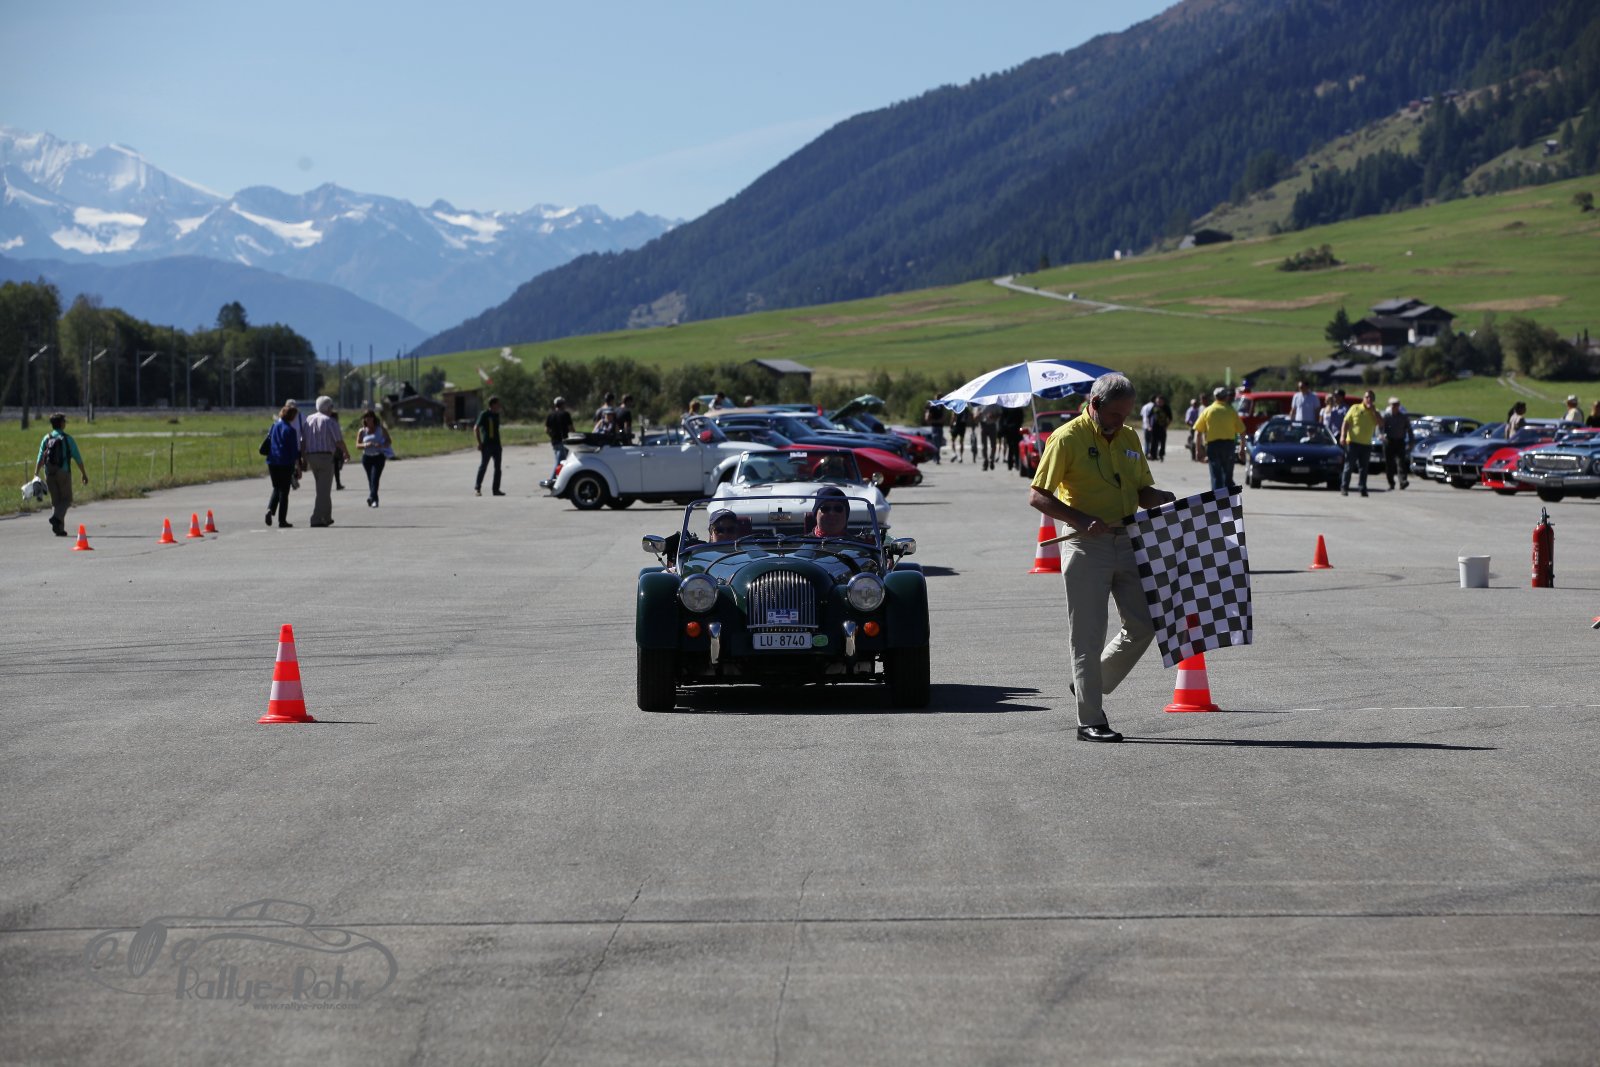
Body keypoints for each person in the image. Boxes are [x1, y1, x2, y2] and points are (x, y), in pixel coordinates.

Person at [1028, 373, 1176, 743]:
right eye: (1114, 415)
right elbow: (1038, 495)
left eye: (1126, 414)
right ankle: (1090, 720)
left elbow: (1141, 490)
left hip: (1128, 541)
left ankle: (1088, 682)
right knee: (1088, 635)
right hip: (1086, 546)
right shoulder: (1067, 438)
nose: (1120, 422)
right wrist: (1080, 519)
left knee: (1145, 624)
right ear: (1094, 404)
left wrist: (1160, 498)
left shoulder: (1129, 437)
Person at [34, 412, 88, 537]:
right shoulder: (67, 439)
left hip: (49, 473)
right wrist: (83, 474)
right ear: (61, 424)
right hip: (63, 472)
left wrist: (36, 474)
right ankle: (56, 518)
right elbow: (77, 458)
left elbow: (40, 458)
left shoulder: (46, 438)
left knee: (56, 502)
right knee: (67, 500)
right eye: (64, 421)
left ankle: (59, 529)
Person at [302, 396, 349, 527]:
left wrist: (303, 457)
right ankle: (316, 518)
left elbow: (303, 440)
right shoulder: (330, 421)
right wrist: (346, 452)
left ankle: (327, 516)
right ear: (328, 408)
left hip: (311, 456)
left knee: (322, 488)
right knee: (324, 490)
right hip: (325, 457)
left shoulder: (308, 419)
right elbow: (338, 441)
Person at [1192, 386, 1248, 491]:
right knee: (1228, 476)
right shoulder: (1231, 411)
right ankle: (1229, 497)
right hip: (1229, 446)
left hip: (1213, 447)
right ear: (1226, 397)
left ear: (1215, 397)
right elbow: (1242, 431)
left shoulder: (1208, 411)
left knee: (1216, 476)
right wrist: (1242, 449)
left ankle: (1217, 498)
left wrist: (1198, 450)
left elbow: (1198, 432)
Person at [264, 405, 302, 527]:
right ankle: (282, 520)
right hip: (285, 463)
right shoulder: (291, 430)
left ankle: (270, 509)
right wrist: (298, 466)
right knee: (284, 492)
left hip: (272, 461)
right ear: (292, 416)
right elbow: (294, 451)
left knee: (276, 487)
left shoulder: (274, 426)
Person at [1340, 390, 1382, 497]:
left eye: (1371, 398)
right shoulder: (1355, 408)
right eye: (1367, 397)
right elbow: (1346, 422)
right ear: (1363, 398)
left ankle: (1362, 488)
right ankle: (1344, 487)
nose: (1369, 399)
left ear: (1373, 400)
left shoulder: (1375, 412)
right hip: (1352, 443)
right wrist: (1343, 436)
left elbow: (1381, 423)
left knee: (1364, 468)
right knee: (1349, 466)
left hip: (1366, 444)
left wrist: (1374, 412)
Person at [356, 409, 394, 507]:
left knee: (375, 478)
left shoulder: (380, 429)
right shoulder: (362, 431)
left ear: (373, 418)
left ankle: (371, 497)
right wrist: (365, 445)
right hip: (367, 458)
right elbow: (357, 445)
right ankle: (374, 500)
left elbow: (389, 441)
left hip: (378, 457)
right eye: (366, 417)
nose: (368, 419)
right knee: (371, 479)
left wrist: (382, 445)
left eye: (370, 417)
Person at [1379, 396, 1413, 491]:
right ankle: (1391, 483)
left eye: (1397, 405)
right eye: (1393, 405)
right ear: (1390, 406)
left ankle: (1403, 481)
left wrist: (1411, 441)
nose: (1395, 407)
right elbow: (1380, 427)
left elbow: (1409, 430)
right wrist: (1381, 435)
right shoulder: (1386, 416)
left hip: (1400, 441)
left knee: (1401, 462)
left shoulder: (1403, 417)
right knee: (1389, 464)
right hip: (1389, 442)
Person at [474, 395, 504, 497]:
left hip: (497, 445)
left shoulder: (496, 415)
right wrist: (479, 442)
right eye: (498, 404)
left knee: (498, 468)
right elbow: (476, 428)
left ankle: (496, 490)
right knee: (483, 466)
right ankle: (478, 488)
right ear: (493, 404)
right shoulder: (484, 414)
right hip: (487, 445)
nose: (499, 406)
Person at [542, 396, 573, 486]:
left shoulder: (550, 415)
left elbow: (546, 430)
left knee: (560, 462)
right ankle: (552, 481)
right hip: (564, 442)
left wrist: (552, 436)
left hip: (554, 442)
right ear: (562, 404)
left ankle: (560, 481)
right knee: (560, 463)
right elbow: (571, 428)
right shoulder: (565, 414)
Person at [923, 400, 946, 464]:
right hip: (935, 427)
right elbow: (927, 419)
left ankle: (936, 457)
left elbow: (943, 418)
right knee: (936, 443)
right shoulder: (932, 408)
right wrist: (936, 421)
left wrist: (939, 421)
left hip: (939, 427)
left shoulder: (941, 407)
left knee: (938, 443)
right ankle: (936, 457)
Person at [979, 404, 1001, 471]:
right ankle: (985, 461)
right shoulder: (980, 404)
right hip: (983, 425)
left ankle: (991, 458)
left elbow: (1000, 414)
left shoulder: (995, 404)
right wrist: (978, 415)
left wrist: (994, 416)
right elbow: (975, 417)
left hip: (992, 425)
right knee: (984, 445)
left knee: (993, 445)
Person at [1152, 396, 1172, 462]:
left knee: (1162, 442)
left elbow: (1170, 418)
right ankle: (1153, 455)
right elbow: (1149, 416)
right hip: (1154, 427)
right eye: (1157, 401)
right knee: (1154, 442)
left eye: (1160, 401)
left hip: (1162, 427)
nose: (1158, 403)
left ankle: (1161, 455)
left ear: (1163, 401)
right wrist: (1149, 425)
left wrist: (1166, 426)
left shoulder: (1166, 407)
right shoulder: (1154, 407)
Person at [330, 409, 346, 490]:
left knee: (336, 466)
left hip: (333, 448)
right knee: (336, 466)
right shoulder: (334, 424)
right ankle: (338, 483)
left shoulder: (331, 424)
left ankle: (338, 483)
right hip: (336, 448)